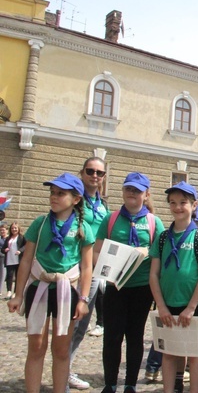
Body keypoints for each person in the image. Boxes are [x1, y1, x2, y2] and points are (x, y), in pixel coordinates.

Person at [7, 173, 94, 393]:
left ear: (75, 199)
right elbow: (26, 260)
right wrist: (18, 294)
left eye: (60, 194)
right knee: (36, 347)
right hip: (40, 287)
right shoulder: (40, 222)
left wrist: (83, 298)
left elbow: (86, 267)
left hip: (67, 290)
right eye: (52, 193)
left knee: (61, 349)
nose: (54, 197)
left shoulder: (84, 226)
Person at [93, 172, 166, 393]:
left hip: (142, 288)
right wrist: (107, 268)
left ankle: (131, 384)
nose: (132, 193)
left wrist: (147, 252)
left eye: (137, 190)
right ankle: (110, 383)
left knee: (135, 337)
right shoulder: (111, 219)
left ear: (146, 194)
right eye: (128, 189)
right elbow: (96, 250)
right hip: (116, 287)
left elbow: (160, 255)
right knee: (112, 337)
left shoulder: (154, 222)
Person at [149, 181, 198, 393]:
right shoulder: (161, 239)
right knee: (169, 354)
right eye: (173, 203)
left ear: (193, 205)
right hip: (168, 304)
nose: (178, 207)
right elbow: (154, 273)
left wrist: (191, 307)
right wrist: (160, 305)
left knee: (194, 354)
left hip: (193, 307)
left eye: (183, 202)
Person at [67, 157, 110, 391]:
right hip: (76, 268)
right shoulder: (74, 200)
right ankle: (62, 370)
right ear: (82, 172)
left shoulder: (102, 204)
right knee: (72, 323)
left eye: (100, 173)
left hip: (95, 270)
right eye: (91, 171)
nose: (95, 176)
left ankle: (66, 368)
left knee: (82, 325)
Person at [3, 221, 26, 299]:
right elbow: (3, 248)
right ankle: (9, 291)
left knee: (17, 276)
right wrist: (4, 250)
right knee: (9, 275)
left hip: (18, 260)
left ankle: (15, 292)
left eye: (15, 228)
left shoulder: (21, 237)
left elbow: (26, 246)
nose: (14, 229)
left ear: (18, 229)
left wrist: (20, 250)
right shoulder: (8, 238)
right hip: (10, 259)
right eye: (12, 228)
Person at [0, 223, 8, 297]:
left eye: (3, 230)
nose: (2, 232)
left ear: (7, 231)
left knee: (2, 274)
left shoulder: (8, 239)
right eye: (1, 230)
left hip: (4, 258)